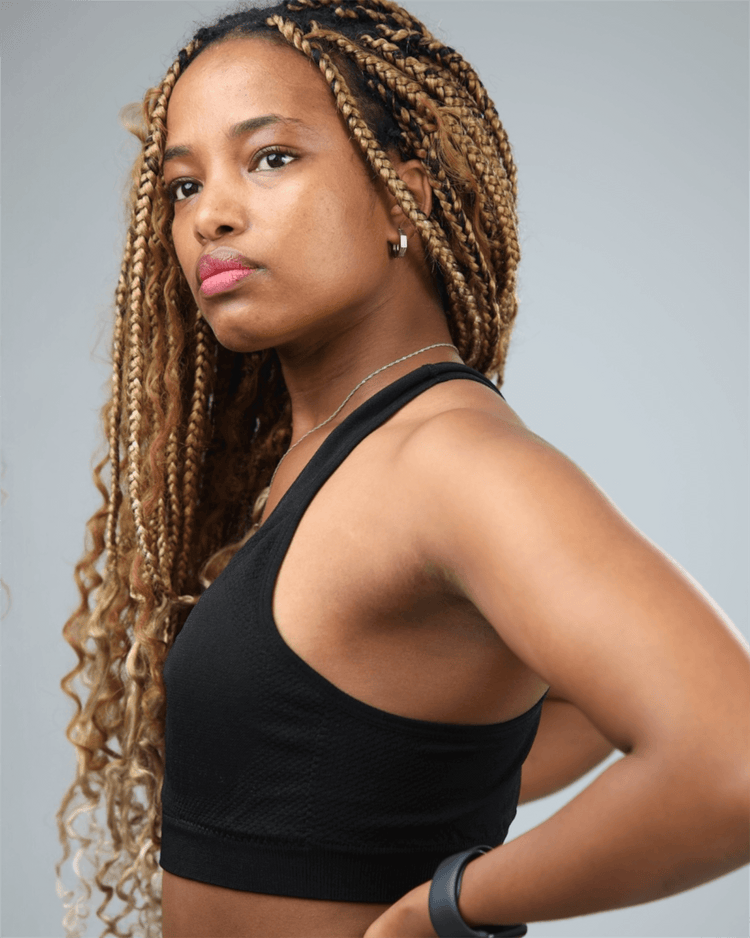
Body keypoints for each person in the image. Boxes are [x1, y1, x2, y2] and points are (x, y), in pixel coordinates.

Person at [56, 1, 749, 936]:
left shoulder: (447, 460)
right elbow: (491, 716)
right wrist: (428, 780)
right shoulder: (323, 456)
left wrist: (444, 910)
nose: (209, 215)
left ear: (403, 197)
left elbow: (731, 758)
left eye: (272, 158)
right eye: (184, 185)